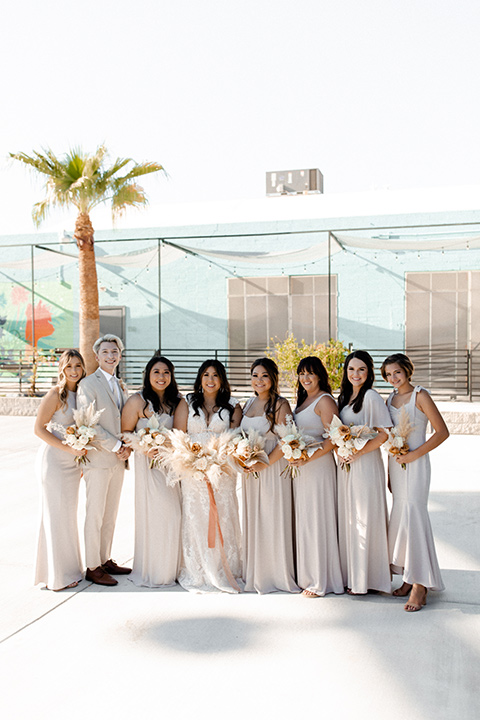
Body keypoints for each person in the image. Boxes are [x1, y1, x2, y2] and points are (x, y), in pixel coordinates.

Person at [381, 353, 448, 612]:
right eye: (388, 374)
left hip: (416, 464)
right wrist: (390, 471)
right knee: (402, 518)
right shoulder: (390, 398)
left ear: (408, 370)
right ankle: (409, 577)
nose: (392, 378)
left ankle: (420, 586)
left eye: (396, 372)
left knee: (415, 516)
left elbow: (442, 431)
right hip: (398, 467)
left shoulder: (420, 395)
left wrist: (413, 455)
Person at [173, 359, 243, 593]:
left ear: (222, 379)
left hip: (222, 472)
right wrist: (192, 461)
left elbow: (234, 438)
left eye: (215, 375)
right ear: (200, 378)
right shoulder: (187, 402)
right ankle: (198, 569)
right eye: (206, 375)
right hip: (192, 471)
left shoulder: (233, 405)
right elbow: (178, 436)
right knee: (195, 516)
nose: (210, 380)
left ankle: (224, 567)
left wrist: (217, 461)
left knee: (223, 515)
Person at [121, 356, 185, 587]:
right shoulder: (137, 401)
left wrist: (167, 446)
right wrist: (145, 447)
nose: (161, 377)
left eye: (166, 372)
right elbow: (125, 433)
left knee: (175, 516)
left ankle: (173, 568)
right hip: (149, 467)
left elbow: (180, 433)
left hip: (173, 466)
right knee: (161, 515)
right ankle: (157, 571)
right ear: (148, 374)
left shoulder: (177, 401)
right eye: (156, 372)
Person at [76, 334, 131, 586]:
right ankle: (91, 566)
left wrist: (128, 447)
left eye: (115, 351)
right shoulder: (88, 384)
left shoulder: (120, 385)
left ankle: (105, 558)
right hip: (98, 461)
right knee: (95, 514)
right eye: (106, 352)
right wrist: (117, 445)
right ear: (97, 357)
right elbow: (90, 424)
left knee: (110, 513)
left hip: (118, 461)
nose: (111, 355)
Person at [241, 357, 299, 594]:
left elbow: (287, 439)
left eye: (264, 375)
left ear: (273, 378)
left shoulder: (280, 404)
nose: (259, 380)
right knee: (255, 517)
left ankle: (276, 573)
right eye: (255, 375)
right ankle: (257, 571)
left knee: (272, 516)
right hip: (250, 470)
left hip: (272, 468)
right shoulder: (247, 403)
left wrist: (264, 463)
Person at [337, 350, 392, 595]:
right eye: (351, 369)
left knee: (365, 515)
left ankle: (369, 579)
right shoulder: (345, 397)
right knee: (350, 517)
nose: (355, 374)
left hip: (366, 464)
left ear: (369, 372)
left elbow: (383, 434)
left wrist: (358, 452)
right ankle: (353, 576)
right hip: (347, 464)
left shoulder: (371, 397)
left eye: (361, 369)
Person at [291, 357, 344, 597]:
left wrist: (307, 458)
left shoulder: (325, 401)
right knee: (306, 520)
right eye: (302, 373)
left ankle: (320, 580)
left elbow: (334, 439)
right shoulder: (304, 401)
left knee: (317, 519)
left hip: (318, 467)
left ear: (320, 375)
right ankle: (308, 574)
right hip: (303, 468)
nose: (306, 378)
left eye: (310, 373)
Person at [34, 349, 86, 591]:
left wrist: (80, 457)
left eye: (78, 366)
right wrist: (68, 448)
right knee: (56, 516)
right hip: (54, 461)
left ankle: (69, 569)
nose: (74, 371)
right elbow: (39, 429)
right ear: (62, 369)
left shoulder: (83, 393)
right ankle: (58, 577)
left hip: (74, 464)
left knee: (68, 516)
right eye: (69, 366)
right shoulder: (55, 394)